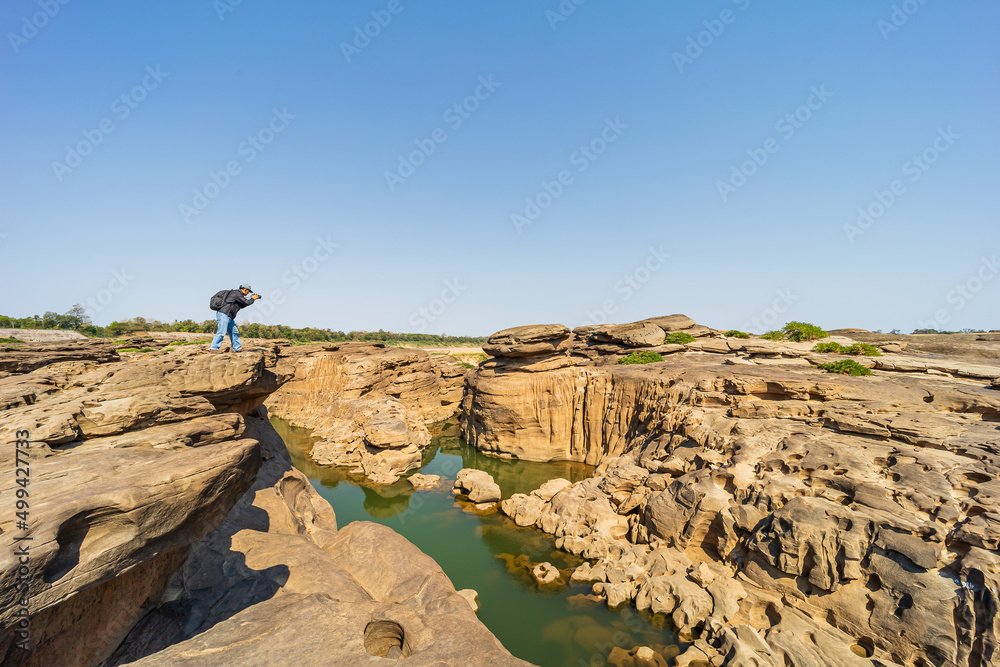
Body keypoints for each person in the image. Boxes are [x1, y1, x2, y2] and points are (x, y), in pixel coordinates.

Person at [209, 284, 260, 352]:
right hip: (224, 314)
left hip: (229, 317)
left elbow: (243, 305)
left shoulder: (238, 295)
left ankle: (237, 348)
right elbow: (247, 302)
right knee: (221, 331)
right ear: (245, 289)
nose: (248, 293)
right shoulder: (237, 293)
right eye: (248, 291)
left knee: (234, 332)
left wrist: (252, 299)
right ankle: (213, 348)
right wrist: (253, 298)